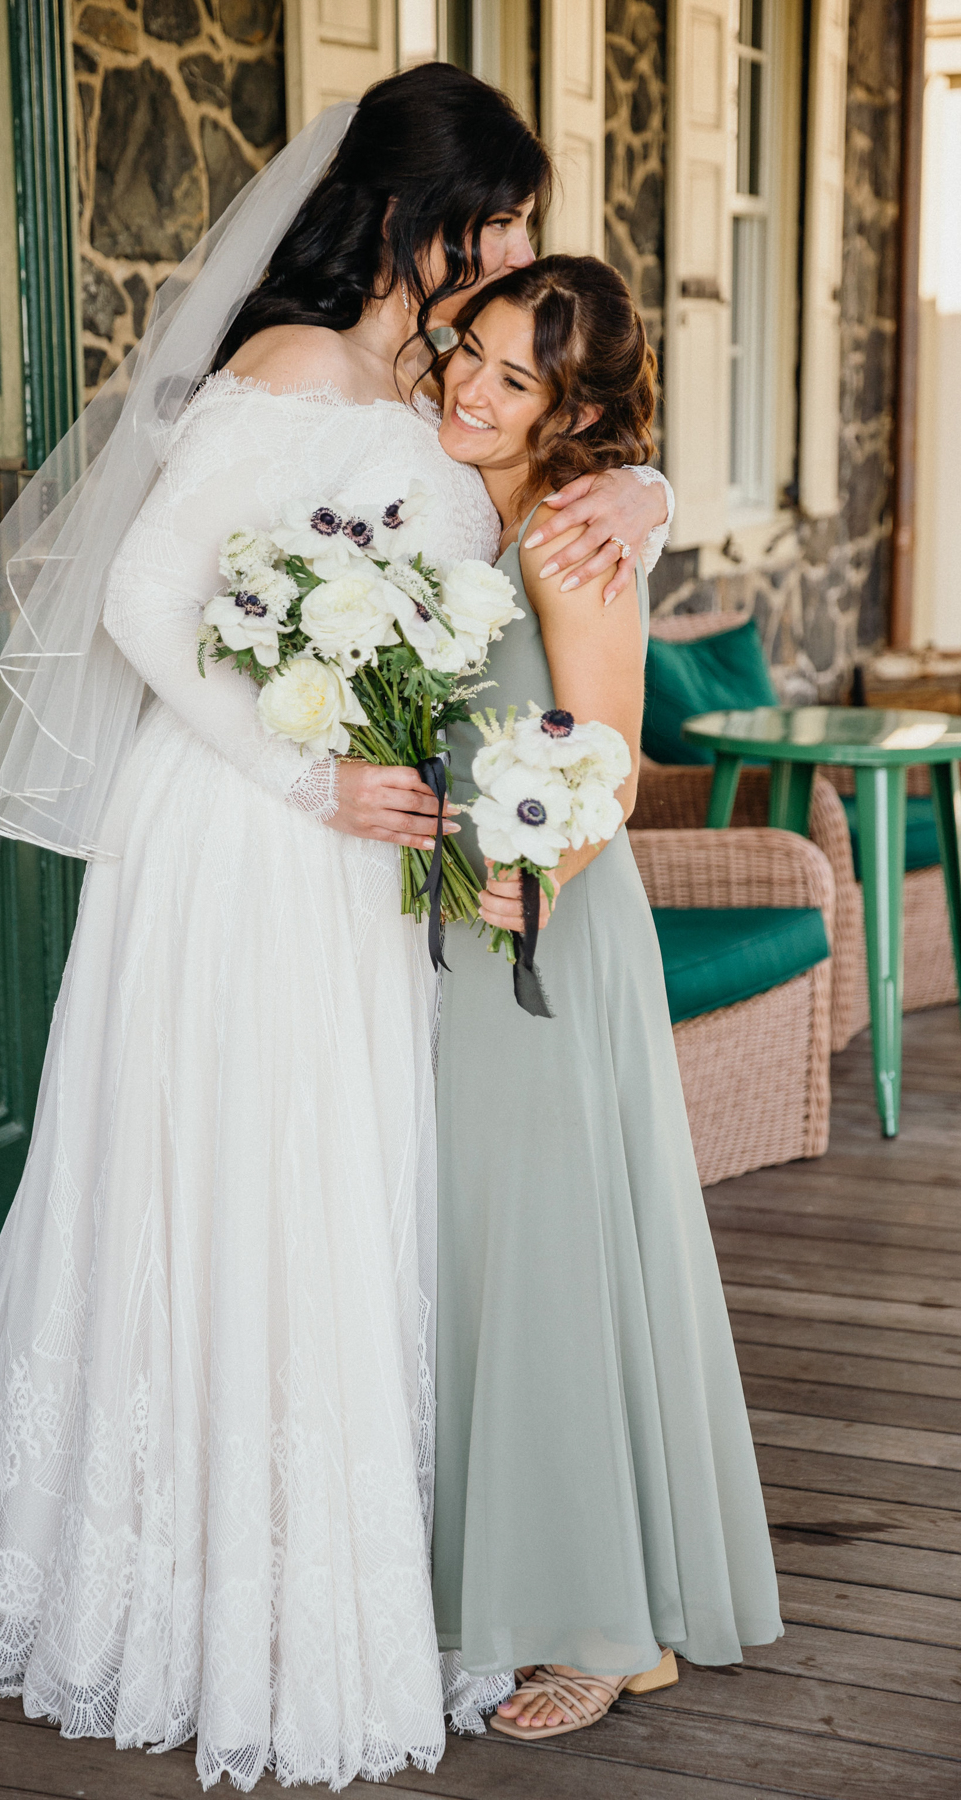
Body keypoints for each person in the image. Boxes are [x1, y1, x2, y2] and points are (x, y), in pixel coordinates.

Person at [0, 70, 671, 1790]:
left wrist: (642, 492)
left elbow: (540, 457)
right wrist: (302, 774)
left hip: (356, 856)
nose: (515, 255)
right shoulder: (287, 367)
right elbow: (132, 599)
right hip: (249, 831)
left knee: (331, 1181)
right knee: (227, 1173)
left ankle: (324, 1547)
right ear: (420, 220)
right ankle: (188, 1571)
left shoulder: (443, 376)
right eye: (494, 224)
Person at [430, 257, 783, 1740]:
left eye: (518, 378)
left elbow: (610, 752)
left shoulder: (574, 537)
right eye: (473, 350)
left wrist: (531, 885)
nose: (473, 385)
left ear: (573, 409)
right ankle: (495, 1573)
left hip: (539, 929)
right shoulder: (454, 486)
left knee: (554, 1261)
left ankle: (601, 1626)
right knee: (475, 1253)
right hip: (444, 917)